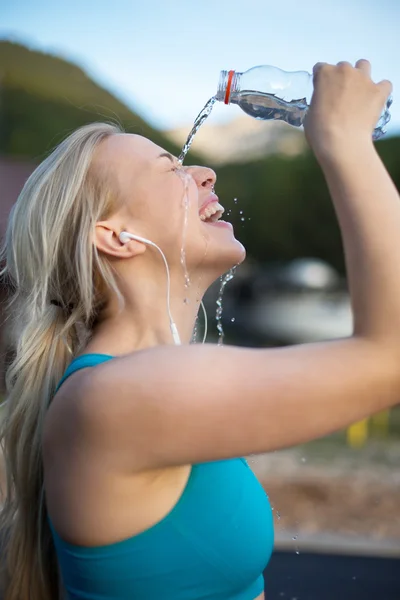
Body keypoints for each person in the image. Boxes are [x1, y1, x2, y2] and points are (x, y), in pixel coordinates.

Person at [0, 59, 397, 600]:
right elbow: (390, 358)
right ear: (116, 236)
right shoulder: (118, 397)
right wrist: (344, 142)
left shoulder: (133, 389)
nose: (205, 173)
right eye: (170, 168)